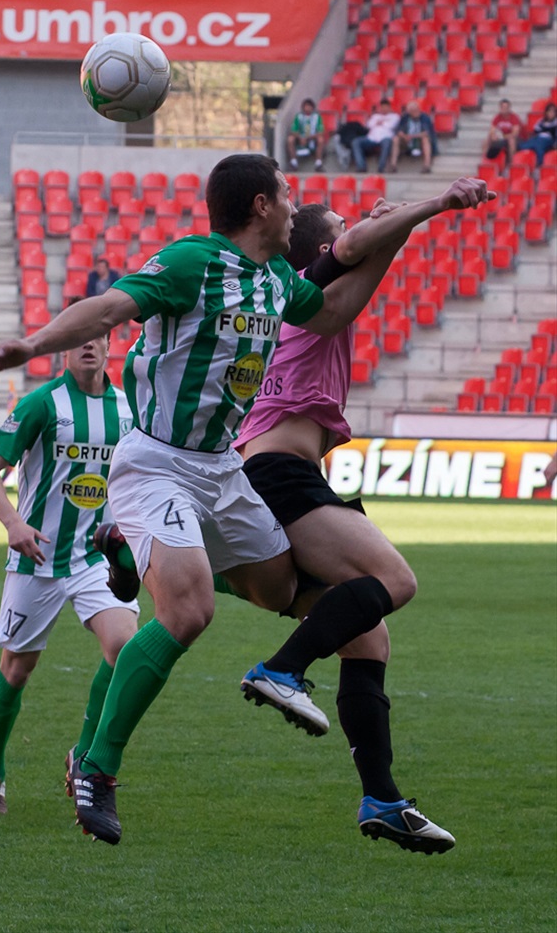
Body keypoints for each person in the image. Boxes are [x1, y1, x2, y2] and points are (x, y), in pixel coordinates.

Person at [0, 153, 409, 844]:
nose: (296, 204)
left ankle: (131, 551)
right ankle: (97, 764)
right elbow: (111, 307)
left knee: (278, 591)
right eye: (287, 193)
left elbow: (331, 309)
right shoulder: (191, 262)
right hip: (157, 463)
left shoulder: (273, 280)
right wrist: (32, 344)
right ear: (261, 207)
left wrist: (392, 240)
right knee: (189, 608)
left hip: (223, 469)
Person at [98, 178, 494, 854]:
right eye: (339, 228)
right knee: (394, 581)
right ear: (319, 245)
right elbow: (354, 249)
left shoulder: (281, 299)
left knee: (367, 635)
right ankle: (279, 669)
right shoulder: (300, 282)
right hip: (280, 473)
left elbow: (366, 254)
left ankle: (383, 799)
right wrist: (432, 206)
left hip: (277, 473)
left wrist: (390, 225)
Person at [0, 329, 139, 816]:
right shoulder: (43, 403)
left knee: (126, 648)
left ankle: (85, 756)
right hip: (37, 557)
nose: (89, 345)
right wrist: (13, 523)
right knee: (17, 669)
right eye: (80, 338)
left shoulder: (130, 411)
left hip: (95, 558)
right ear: (65, 347)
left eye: (98, 337)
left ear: (109, 346)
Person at [351, 98, 399, 174]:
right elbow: (369, 125)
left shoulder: (394, 116)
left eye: (386, 107)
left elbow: (391, 125)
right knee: (356, 142)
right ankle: (361, 166)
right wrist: (381, 122)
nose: (384, 109)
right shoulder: (375, 116)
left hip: (385, 137)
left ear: (389, 107)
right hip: (371, 138)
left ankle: (381, 168)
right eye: (382, 107)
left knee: (387, 143)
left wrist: (380, 123)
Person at [389, 100, 438, 174]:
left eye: (417, 109)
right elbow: (398, 131)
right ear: (409, 112)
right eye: (413, 111)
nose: (416, 112)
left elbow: (426, 133)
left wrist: (412, 136)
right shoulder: (405, 117)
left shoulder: (425, 117)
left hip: (419, 141)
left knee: (425, 140)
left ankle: (426, 166)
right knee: (396, 139)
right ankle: (393, 165)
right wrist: (404, 136)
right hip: (406, 141)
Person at [286, 98, 326, 171]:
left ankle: (318, 163)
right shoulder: (298, 116)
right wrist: (301, 138)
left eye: (309, 106)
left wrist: (309, 138)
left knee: (321, 139)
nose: (307, 108)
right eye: (306, 106)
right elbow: (293, 130)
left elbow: (321, 131)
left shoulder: (317, 117)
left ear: (312, 107)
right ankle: (293, 163)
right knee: (290, 139)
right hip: (300, 138)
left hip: (313, 138)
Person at [516, 103, 557, 168]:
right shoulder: (541, 121)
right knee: (526, 144)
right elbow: (536, 130)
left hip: (548, 140)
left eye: (553, 111)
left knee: (539, 145)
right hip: (538, 138)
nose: (551, 113)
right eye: (549, 111)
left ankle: (539, 164)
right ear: (546, 112)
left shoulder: (555, 122)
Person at [483, 99, 523, 164]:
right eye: (502, 107)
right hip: (502, 138)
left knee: (511, 140)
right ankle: (486, 160)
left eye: (506, 107)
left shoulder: (514, 117)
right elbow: (492, 130)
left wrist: (502, 136)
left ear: (509, 108)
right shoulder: (497, 117)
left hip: (515, 139)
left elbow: (515, 133)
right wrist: (493, 135)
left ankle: (512, 163)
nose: (504, 109)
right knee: (486, 139)